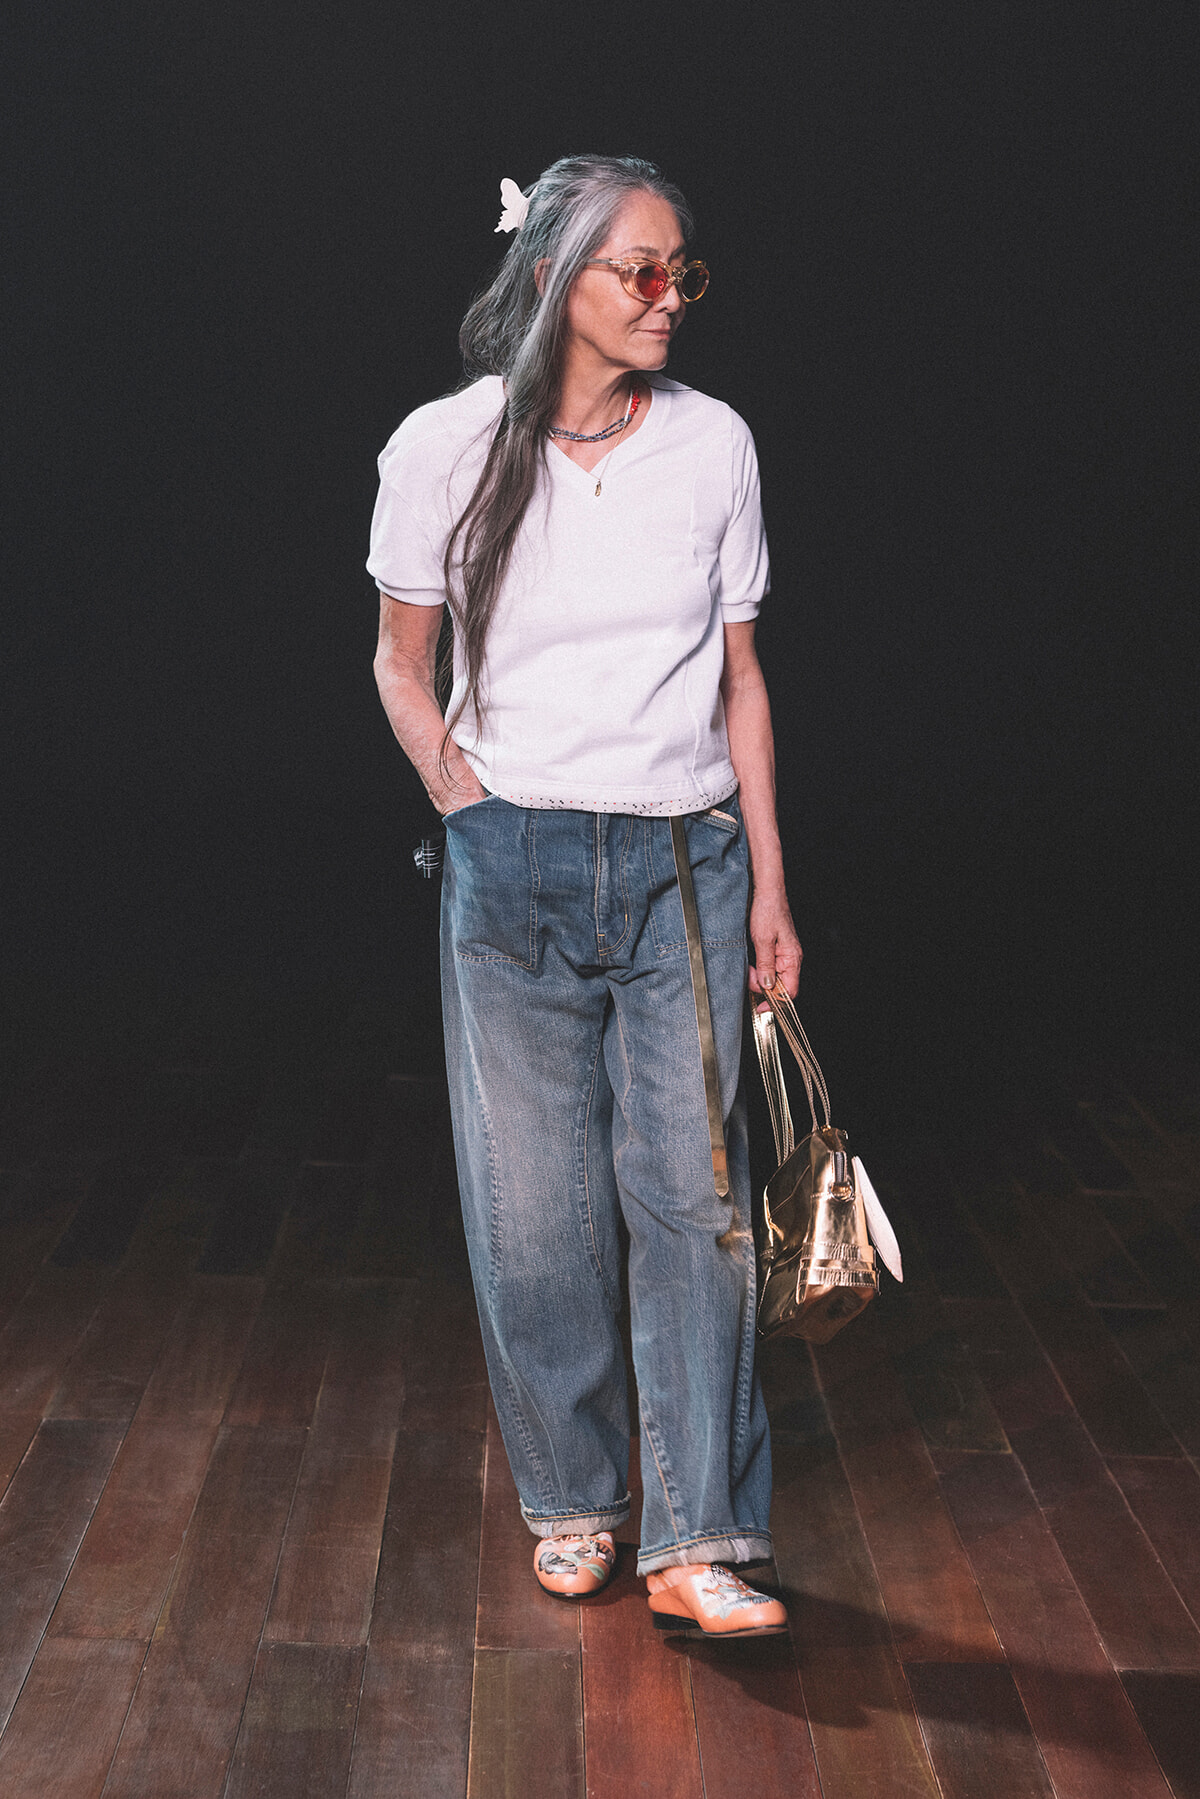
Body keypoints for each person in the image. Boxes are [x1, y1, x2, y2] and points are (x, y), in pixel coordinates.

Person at [369, 155, 801, 1640]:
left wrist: (772, 895)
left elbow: (744, 681)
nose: (672, 296)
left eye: (686, 270)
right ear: (559, 273)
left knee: (699, 1206)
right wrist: (463, 799)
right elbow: (398, 661)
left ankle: (700, 1537)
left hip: (686, 860)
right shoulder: (442, 448)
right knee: (537, 1213)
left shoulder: (714, 445)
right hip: (516, 864)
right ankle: (576, 1503)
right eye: (643, 269)